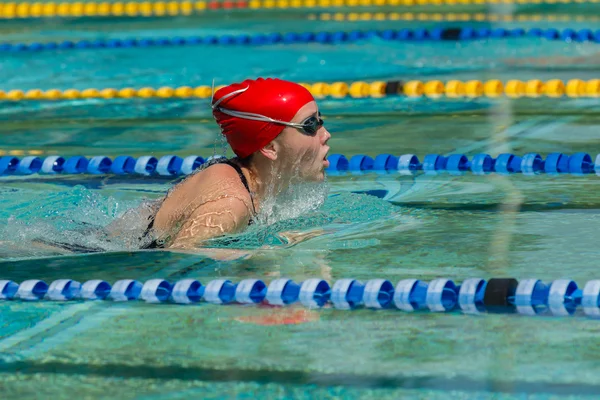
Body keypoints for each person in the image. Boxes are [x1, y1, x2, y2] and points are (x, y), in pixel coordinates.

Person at [142, 77, 332, 250]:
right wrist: (267, 251)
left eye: (320, 119)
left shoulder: (262, 185)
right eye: (310, 125)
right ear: (269, 147)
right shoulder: (231, 204)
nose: (326, 134)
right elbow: (181, 255)